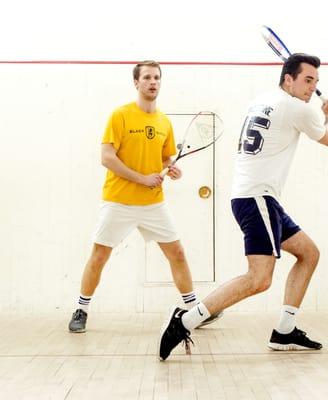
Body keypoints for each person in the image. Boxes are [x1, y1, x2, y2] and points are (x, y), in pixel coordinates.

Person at [158, 53, 328, 361]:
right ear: (288, 79)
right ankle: (186, 320)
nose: (312, 88)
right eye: (307, 80)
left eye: (316, 82)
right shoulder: (297, 108)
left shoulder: (261, 101)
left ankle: (285, 330)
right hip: (258, 198)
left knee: (309, 253)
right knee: (259, 278)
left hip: (252, 197)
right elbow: (327, 139)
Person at [68, 60, 220, 333]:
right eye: (147, 77)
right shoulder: (120, 116)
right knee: (100, 255)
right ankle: (81, 309)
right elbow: (106, 157)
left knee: (178, 253)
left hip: (153, 204)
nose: (153, 82)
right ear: (136, 83)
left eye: (157, 78)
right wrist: (141, 178)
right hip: (118, 200)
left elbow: (164, 157)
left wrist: (171, 168)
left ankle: (193, 310)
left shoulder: (163, 122)